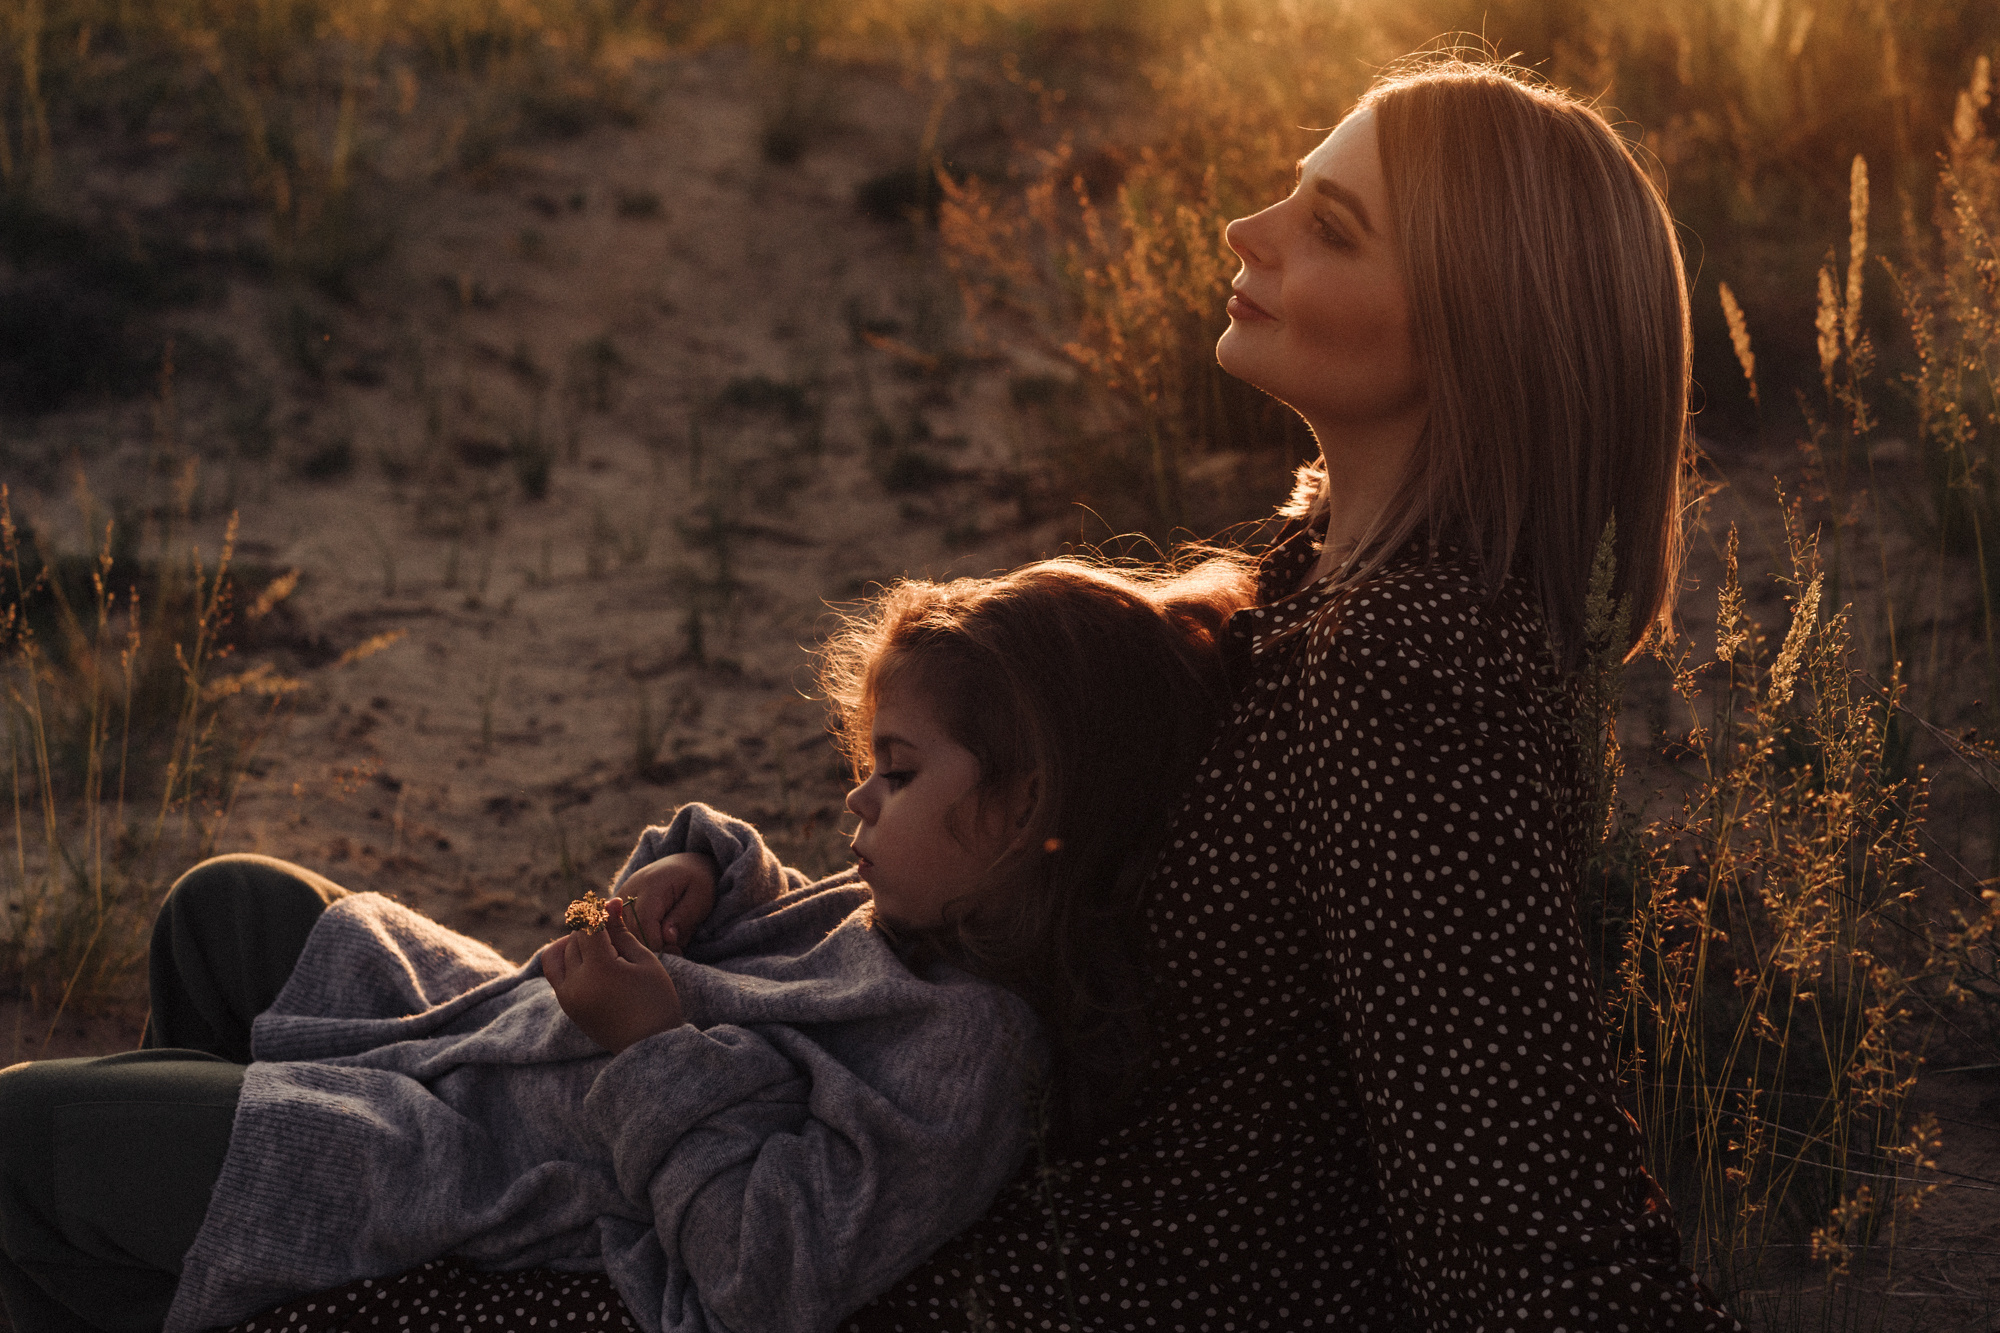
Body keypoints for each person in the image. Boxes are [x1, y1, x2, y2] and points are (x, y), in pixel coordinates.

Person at [836, 54, 1744, 1330]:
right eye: (1292, 192)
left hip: (1103, 1289)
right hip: (987, 1216)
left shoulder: (1410, 661)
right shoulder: (1315, 584)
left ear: (1474, 327)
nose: (1242, 230)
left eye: (1330, 228)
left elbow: (1515, 1200)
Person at [0, 555, 1255, 1333]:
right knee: (229, 903)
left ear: (1026, 805)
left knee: (28, 1136)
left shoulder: (967, 1048)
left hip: (482, 1164)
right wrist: (698, 863)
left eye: (899, 772)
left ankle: (199, 1206)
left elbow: (771, 1274)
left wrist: (651, 1047)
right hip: (496, 1033)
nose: (857, 803)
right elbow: (769, 921)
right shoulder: (904, 912)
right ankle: (179, 1253)